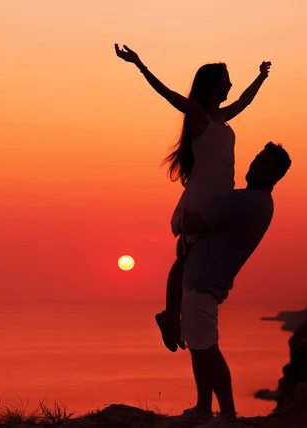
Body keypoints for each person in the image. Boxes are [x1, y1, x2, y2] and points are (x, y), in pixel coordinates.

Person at [114, 44, 272, 352]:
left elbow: (244, 101)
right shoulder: (198, 116)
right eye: (226, 79)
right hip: (201, 202)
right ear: (212, 85)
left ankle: (178, 317)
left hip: (220, 204)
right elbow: (167, 94)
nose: (230, 84)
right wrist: (140, 65)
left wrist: (261, 78)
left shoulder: (221, 117)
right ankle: (172, 317)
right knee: (185, 260)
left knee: (197, 262)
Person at [178, 142, 292, 426]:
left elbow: (191, 223)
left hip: (204, 280)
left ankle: (227, 415)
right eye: (256, 159)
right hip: (204, 278)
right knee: (200, 347)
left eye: (264, 164)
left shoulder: (245, 201)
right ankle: (204, 407)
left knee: (207, 349)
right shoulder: (257, 202)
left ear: (276, 176)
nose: (255, 165)